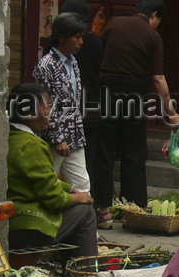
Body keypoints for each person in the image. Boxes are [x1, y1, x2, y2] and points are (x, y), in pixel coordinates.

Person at [92, 0, 179, 228]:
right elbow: (158, 78)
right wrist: (171, 112)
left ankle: (102, 211)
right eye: (158, 22)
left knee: (103, 150)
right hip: (133, 92)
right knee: (133, 151)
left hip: (106, 90)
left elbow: (103, 54)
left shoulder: (114, 23)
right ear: (154, 15)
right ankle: (134, 211)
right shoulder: (153, 37)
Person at [6, 83, 98, 260]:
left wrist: (71, 189)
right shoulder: (32, 145)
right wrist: (80, 197)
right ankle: (87, 276)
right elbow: (53, 198)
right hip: (29, 226)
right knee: (86, 211)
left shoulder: (12, 136)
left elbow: (44, 180)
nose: (50, 111)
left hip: (15, 221)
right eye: (46, 106)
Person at [32, 12, 91, 194]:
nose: (81, 42)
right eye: (77, 37)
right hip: (53, 139)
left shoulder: (73, 63)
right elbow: (45, 106)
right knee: (48, 187)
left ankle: (80, 222)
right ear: (62, 38)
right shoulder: (46, 66)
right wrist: (57, 137)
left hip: (74, 134)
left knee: (83, 188)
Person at [60, 0, 104, 190]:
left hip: (73, 117)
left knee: (79, 170)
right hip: (85, 110)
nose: (80, 42)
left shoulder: (71, 55)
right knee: (88, 160)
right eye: (76, 37)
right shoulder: (93, 42)